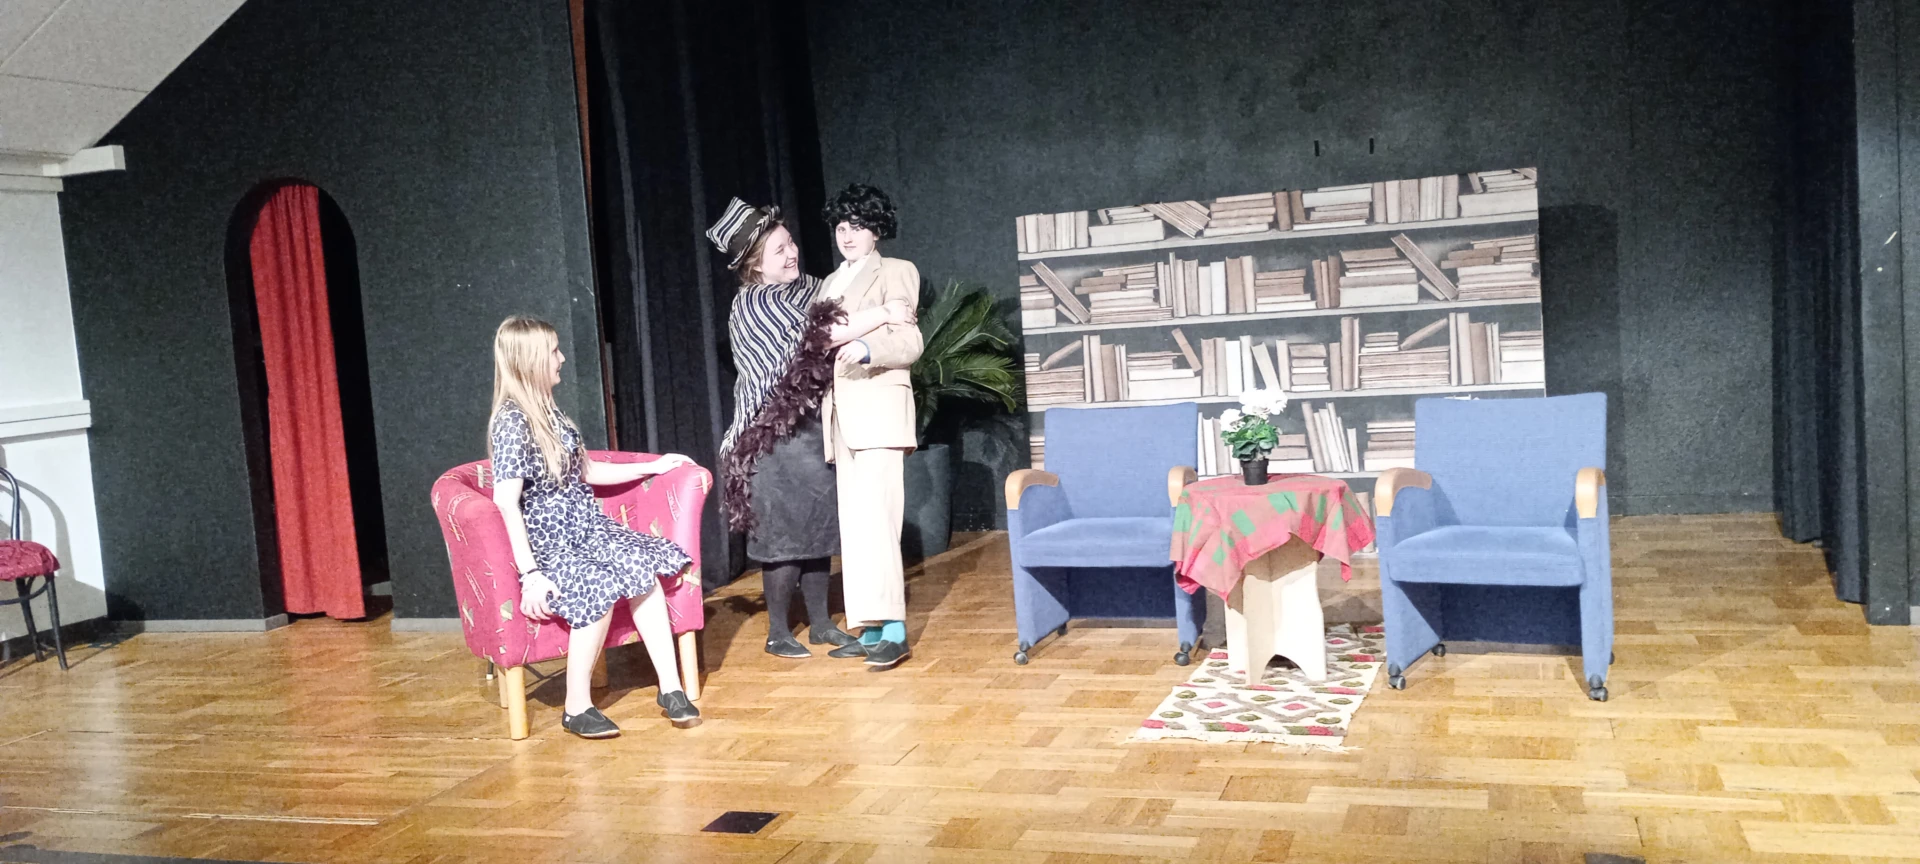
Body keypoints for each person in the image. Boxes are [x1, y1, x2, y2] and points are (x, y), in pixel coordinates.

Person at [707, 198, 916, 657]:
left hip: (819, 427)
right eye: (778, 250)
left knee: (819, 528)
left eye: (790, 243)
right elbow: (813, 340)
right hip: (772, 433)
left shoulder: (817, 288)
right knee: (783, 537)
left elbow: (837, 324)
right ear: (755, 265)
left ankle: (821, 624)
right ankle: (778, 631)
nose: (791, 254)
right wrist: (885, 314)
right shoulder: (751, 305)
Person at [487, 315, 701, 738]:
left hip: (586, 528)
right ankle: (576, 706)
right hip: (551, 542)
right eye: (553, 352)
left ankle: (671, 688)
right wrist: (531, 576)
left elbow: (585, 471)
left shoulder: (550, 411)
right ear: (531, 360)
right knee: (597, 586)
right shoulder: (512, 422)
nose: (562, 359)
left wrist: (655, 465)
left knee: (641, 567)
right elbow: (506, 501)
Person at [817, 184, 923, 670]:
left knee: (879, 524)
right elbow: (818, 337)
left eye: (857, 226)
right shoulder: (829, 282)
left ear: (876, 230)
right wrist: (871, 322)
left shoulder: (897, 270)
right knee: (857, 527)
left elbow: (908, 341)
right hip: (842, 415)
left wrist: (867, 348)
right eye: (841, 227)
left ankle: (894, 630)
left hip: (879, 408)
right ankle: (871, 628)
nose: (847, 235)